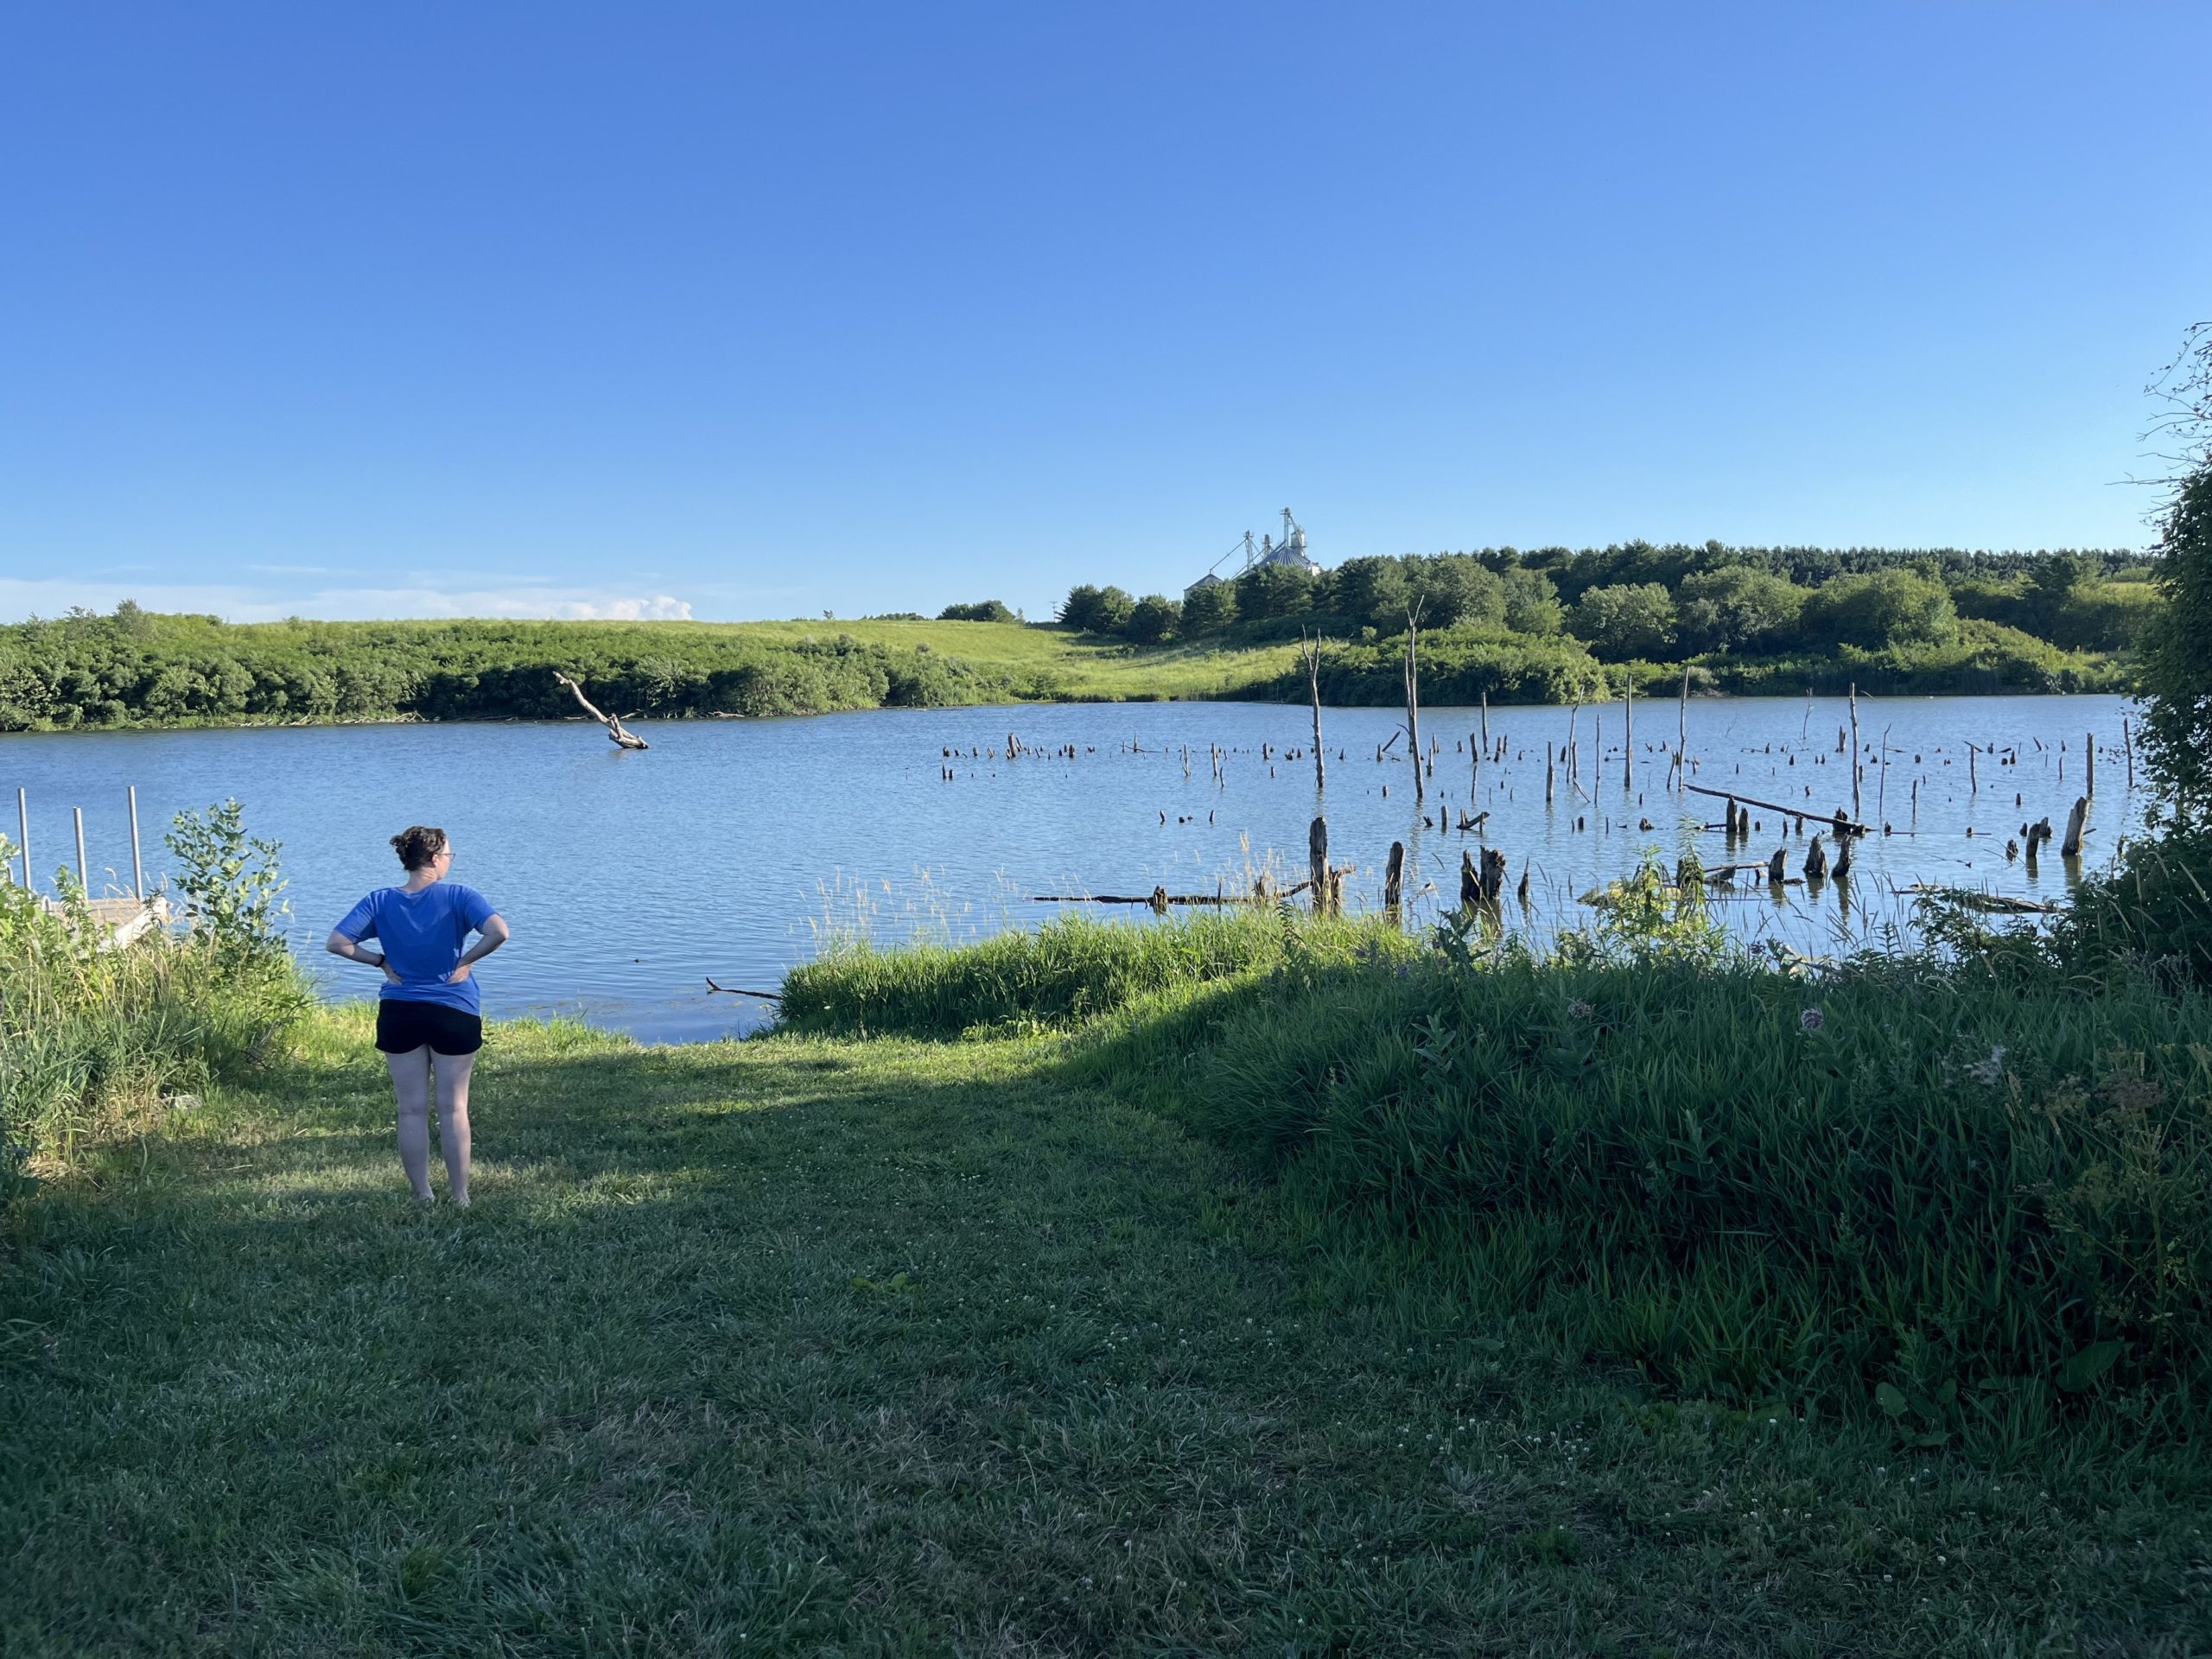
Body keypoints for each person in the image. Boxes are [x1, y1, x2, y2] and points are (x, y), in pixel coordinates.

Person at [326, 826, 510, 1206]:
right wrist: (466, 961)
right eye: (449, 855)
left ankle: (422, 1195)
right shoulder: (460, 895)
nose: (449, 862)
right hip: (453, 1009)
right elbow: (498, 932)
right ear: (434, 858)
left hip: (400, 1010)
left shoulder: (379, 901)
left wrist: (379, 961)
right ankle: (460, 1197)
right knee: (454, 1107)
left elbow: (338, 943)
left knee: (410, 1108)